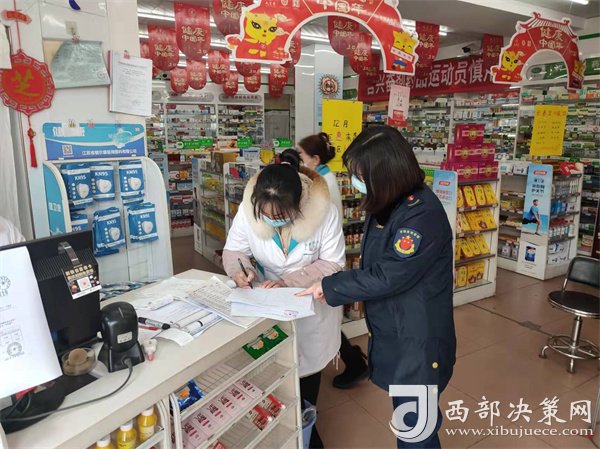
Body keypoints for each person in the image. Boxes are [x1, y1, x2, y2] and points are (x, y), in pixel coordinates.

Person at [298, 126, 456, 449]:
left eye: (360, 175)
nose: (356, 181)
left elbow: (388, 275)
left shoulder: (420, 215)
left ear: (385, 174)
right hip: (401, 332)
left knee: (416, 430)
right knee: (410, 423)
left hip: (419, 341)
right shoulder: (388, 204)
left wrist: (330, 286)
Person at [222, 161, 345, 448]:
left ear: (298, 205)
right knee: (275, 369)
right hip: (268, 303)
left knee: (308, 372)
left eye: (279, 215)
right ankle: (282, 426)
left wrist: (289, 281)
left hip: (311, 306)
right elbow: (234, 249)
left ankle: (306, 424)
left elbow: (332, 262)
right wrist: (240, 270)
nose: (271, 219)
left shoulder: (324, 212)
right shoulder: (248, 211)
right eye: (265, 214)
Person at [296, 133, 368, 389]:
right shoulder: (319, 178)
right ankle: (355, 361)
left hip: (324, 261)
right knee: (326, 321)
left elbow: (323, 224)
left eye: (301, 155)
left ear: (315, 159)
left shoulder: (323, 183)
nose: (298, 160)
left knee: (325, 322)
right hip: (318, 260)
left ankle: (354, 362)